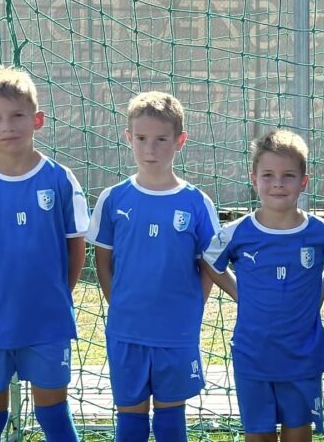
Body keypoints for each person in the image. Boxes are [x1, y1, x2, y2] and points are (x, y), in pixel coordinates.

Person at [0, 65, 89, 442]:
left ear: (37, 119)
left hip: (47, 320)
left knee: (53, 412)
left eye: (17, 115)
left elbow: (76, 247)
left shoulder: (60, 179)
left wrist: (57, 294)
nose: (7, 126)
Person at [202, 130, 324, 442]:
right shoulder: (237, 232)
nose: (278, 184)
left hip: (302, 355)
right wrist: (239, 294)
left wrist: (320, 291)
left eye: (288, 176)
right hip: (253, 355)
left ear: (304, 181)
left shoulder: (322, 232)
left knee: (298, 434)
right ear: (254, 180)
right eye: (268, 175)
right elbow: (209, 261)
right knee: (258, 436)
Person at [86, 91, 220, 442]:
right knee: (130, 422)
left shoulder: (196, 202)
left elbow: (209, 265)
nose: (150, 148)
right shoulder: (113, 198)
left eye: (161, 139)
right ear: (128, 138)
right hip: (127, 330)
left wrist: (191, 306)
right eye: (142, 138)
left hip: (175, 332)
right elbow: (103, 261)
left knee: (170, 423)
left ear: (180, 141)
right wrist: (119, 303)